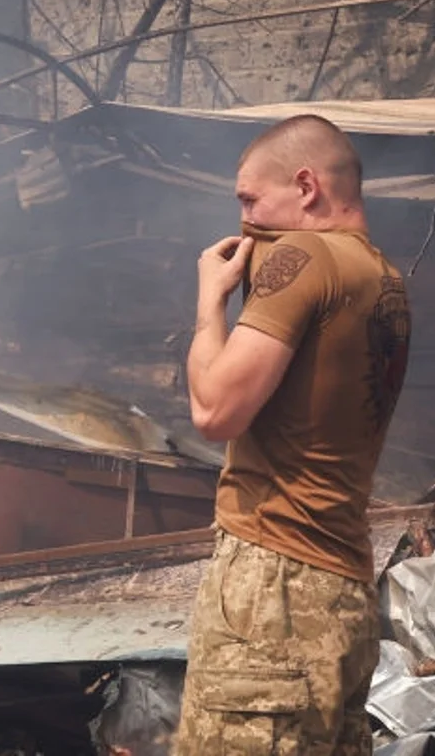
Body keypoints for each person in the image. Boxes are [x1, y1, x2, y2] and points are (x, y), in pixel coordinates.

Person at [174, 114, 413, 755]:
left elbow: (215, 411)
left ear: (305, 186)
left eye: (251, 199)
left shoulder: (305, 256)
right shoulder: (384, 278)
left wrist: (209, 304)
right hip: (345, 591)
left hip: (272, 590)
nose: (247, 217)